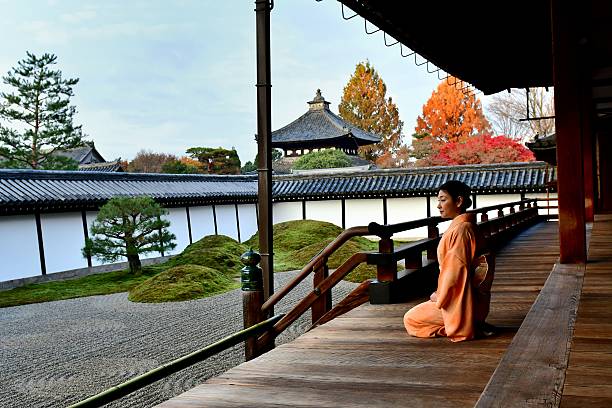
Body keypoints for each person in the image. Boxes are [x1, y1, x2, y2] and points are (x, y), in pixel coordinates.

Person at [403, 180, 494, 342]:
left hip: (464, 302)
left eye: (443, 200)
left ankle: (467, 325)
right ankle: (474, 323)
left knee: (411, 319)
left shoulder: (461, 230)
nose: (438, 205)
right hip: (476, 300)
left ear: (458, 201)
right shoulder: (466, 226)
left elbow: (454, 273)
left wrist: (439, 297)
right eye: (438, 200)